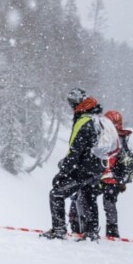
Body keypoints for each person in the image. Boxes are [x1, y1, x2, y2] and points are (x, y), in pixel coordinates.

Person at [42, 88, 105, 240]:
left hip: (84, 168)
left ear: (77, 103)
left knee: (56, 194)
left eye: (72, 103)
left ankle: (59, 230)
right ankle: (91, 233)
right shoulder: (96, 119)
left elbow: (74, 152)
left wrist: (62, 172)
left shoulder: (83, 121)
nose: (71, 107)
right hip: (98, 167)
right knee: (88, 196)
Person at [67, 109, 133, 239]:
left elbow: (128, 164)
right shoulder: (101, 136)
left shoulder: (122, 141)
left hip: (110, 179)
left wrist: (118, 177)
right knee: (83, 197)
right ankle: (83, 228)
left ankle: (104, 231)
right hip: (97, 176)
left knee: (105, 202)